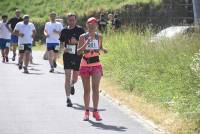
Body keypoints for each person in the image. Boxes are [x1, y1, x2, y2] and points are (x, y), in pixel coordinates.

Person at [77, 17, 108, 121]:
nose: (92, 25)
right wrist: (86, 44)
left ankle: (95, 111)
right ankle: (86, 112)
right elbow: (78, 52)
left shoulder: (99, 36)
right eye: (90, 24)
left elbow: (100, 48)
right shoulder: (82, 37)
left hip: (96, 64)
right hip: (85, 64)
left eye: (94, 24)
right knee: (87, 90)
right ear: (87, 25)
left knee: (96, 89)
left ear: (97, 25)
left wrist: (103, 49)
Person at [59, 13, 85, 107]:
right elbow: (61, 43)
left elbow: (85, 43)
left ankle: (72, 85)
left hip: (77, 56)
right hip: (67, 56)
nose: (71, 22)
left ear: (76, 20)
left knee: (75, 78)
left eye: (73, 20)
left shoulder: (80, 30)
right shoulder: (64, 30)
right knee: (67, 76)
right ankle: (68, 98)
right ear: (67, 21)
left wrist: (77, 42)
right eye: (70, 20)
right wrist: (63, 49)